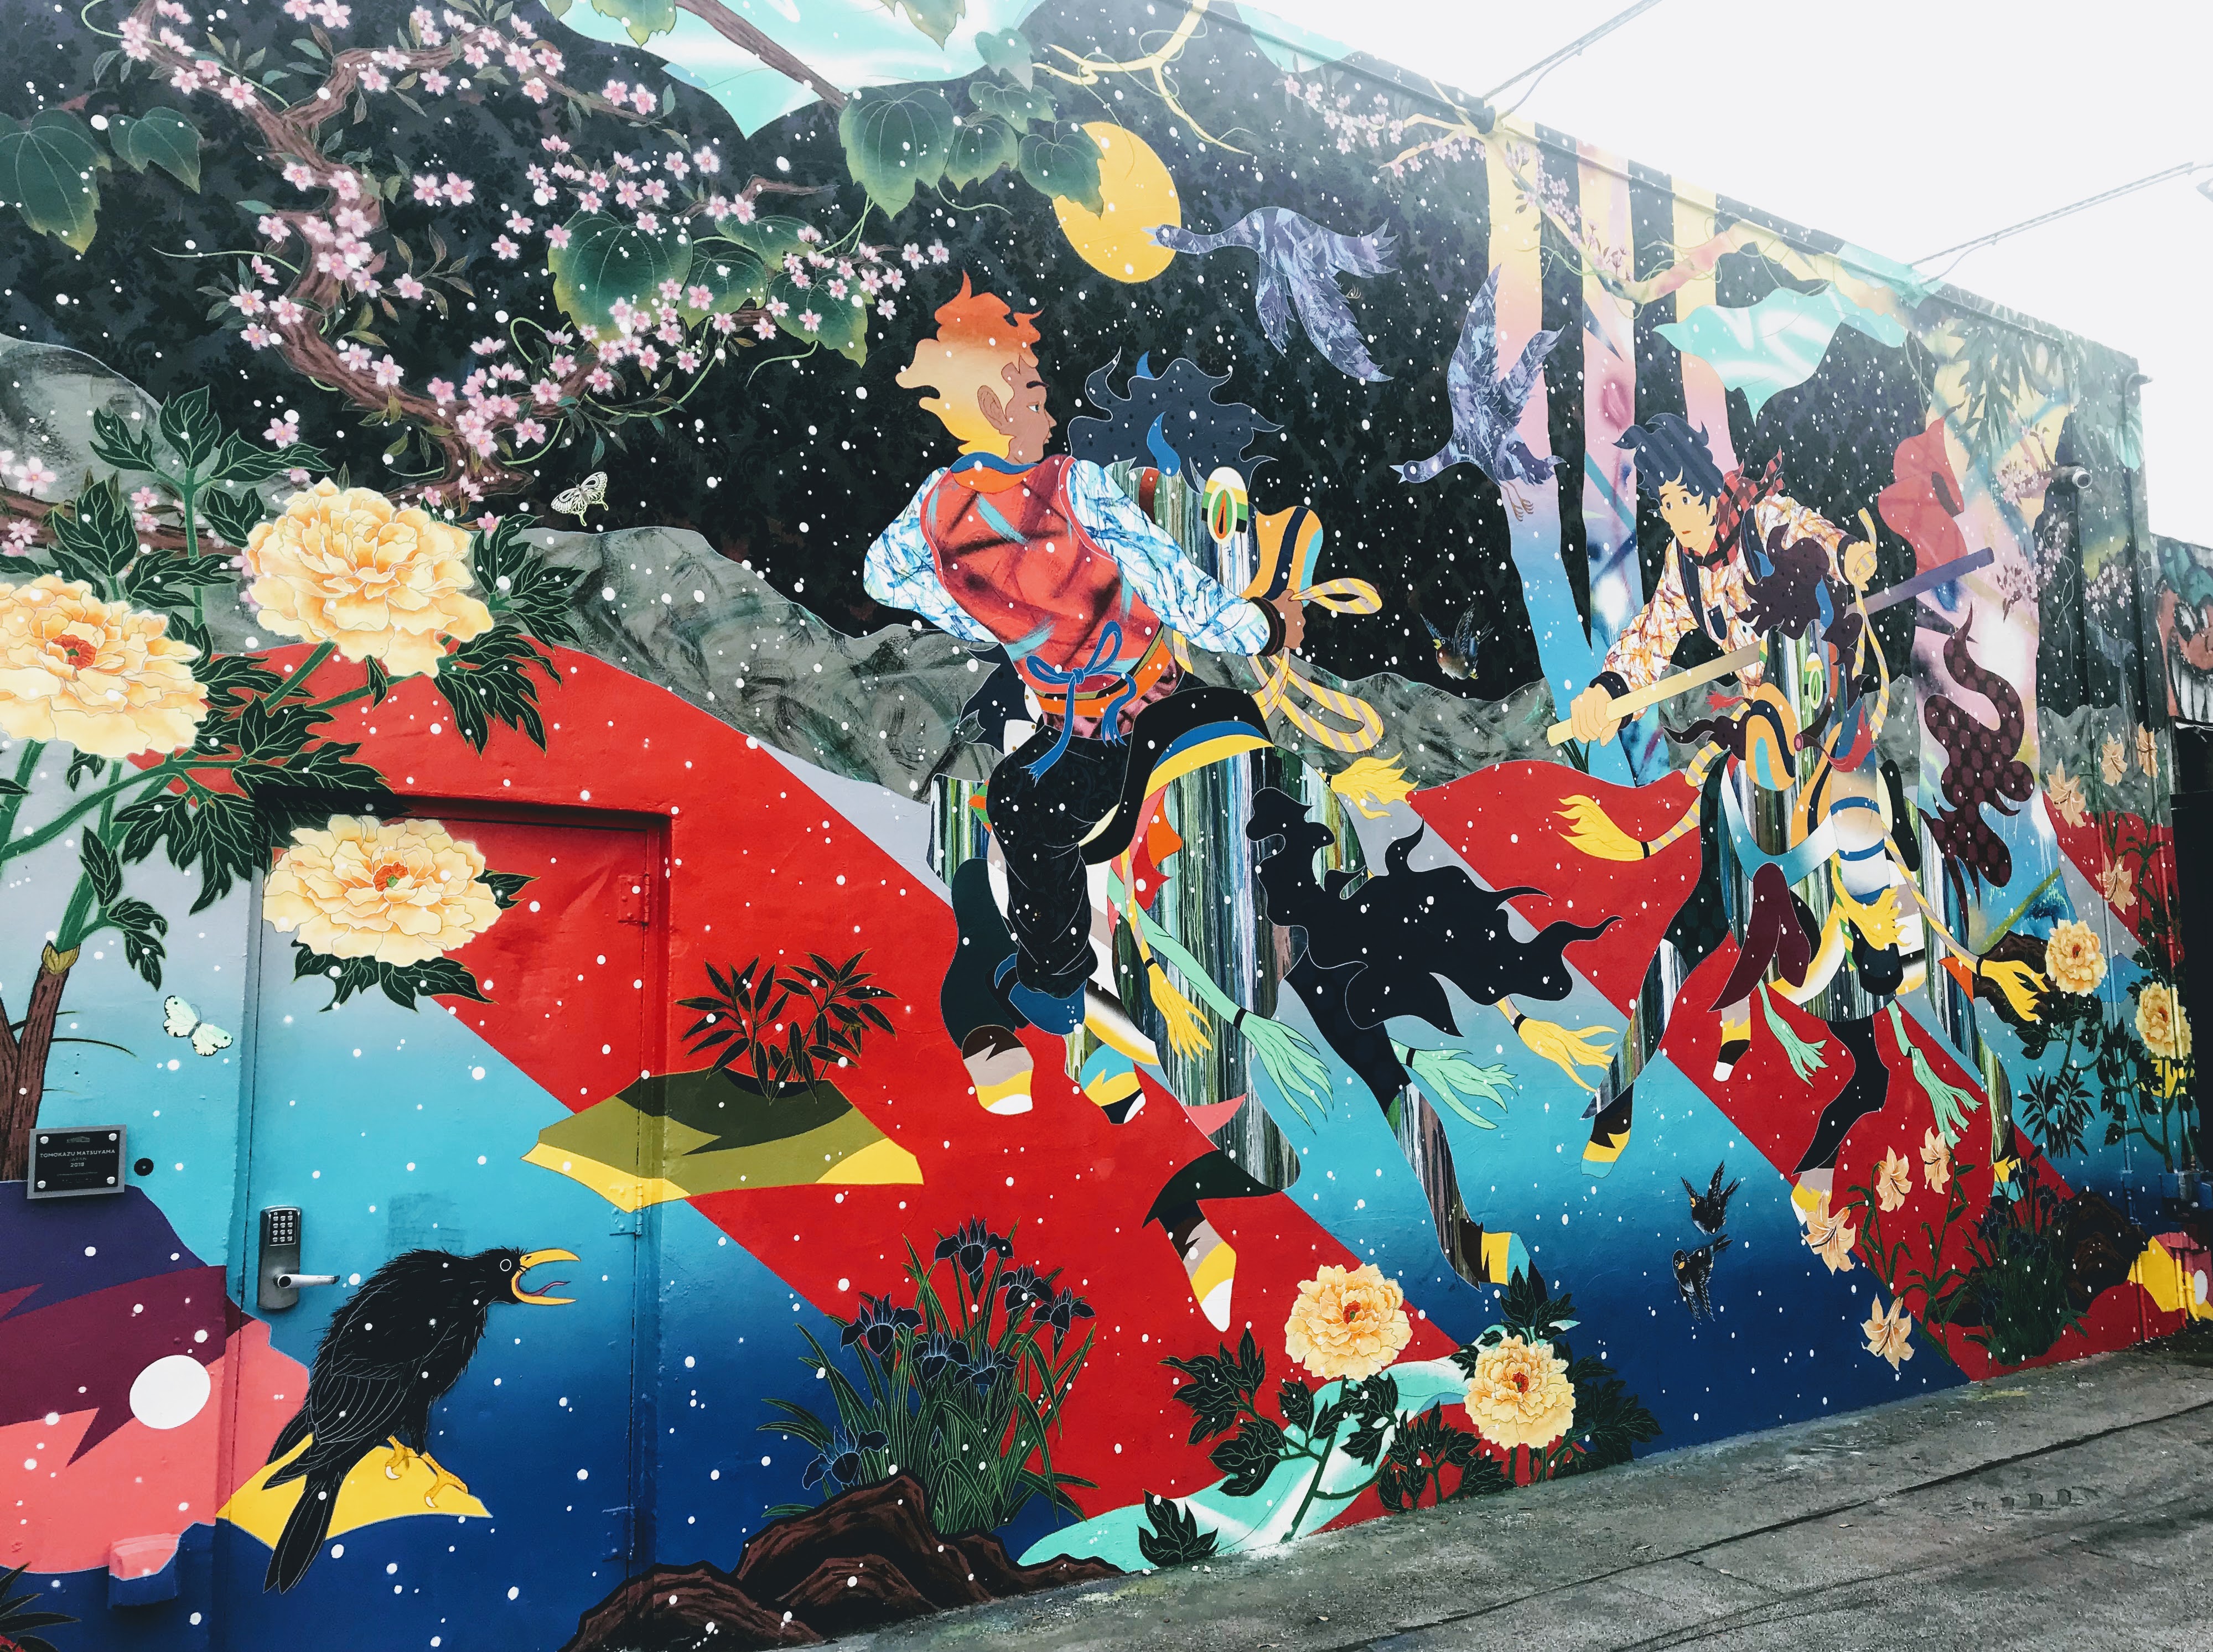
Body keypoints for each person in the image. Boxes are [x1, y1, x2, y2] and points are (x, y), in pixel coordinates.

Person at [863, 276, 1304, 1092]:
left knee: (1018, 804)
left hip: (1090, 736)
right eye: (1032, 391)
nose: (1045, 407)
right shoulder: (1077, 486)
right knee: (1236, 748)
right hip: (1155, 707)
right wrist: (1266, 628)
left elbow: (882, 577)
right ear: (993, 405)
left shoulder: (933, 509)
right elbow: (1182, 595)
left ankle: (1056, 985)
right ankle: (1265, 922)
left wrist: (985, 615)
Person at [1564, 413, 1877, 746]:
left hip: (1823, 683)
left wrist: (1846, 553)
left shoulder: (1757, 520)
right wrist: (1609, 691)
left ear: (1709, 491)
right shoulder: (1683, 570)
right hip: (1771, 718)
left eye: (1686, 499)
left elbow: (1803, 527)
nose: (1679, 514)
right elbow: (1652, 636)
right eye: (1668, 503)